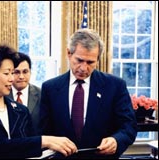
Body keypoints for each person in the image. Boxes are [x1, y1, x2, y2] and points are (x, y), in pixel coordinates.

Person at [0, 43, 77, 159]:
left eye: (12, 73)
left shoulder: (21, 110)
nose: (12, 79)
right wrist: (43, 141)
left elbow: (30, 149)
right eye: (6, 73)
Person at [38, 28, 138, 159]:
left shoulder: (115, 86)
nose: (84, 68)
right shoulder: (50, 88)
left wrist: (116, 141)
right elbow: (44, 132)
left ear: (98, 59)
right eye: (79, 60)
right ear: (69, 53)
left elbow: (129, 126)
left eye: (90, 62)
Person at [7, 52, 41, 134]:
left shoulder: (42, 94)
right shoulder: (2, 95)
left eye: (25, 72)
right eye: (17, 72)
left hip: (36, 144)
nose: (21, 77)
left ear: (30, 72)